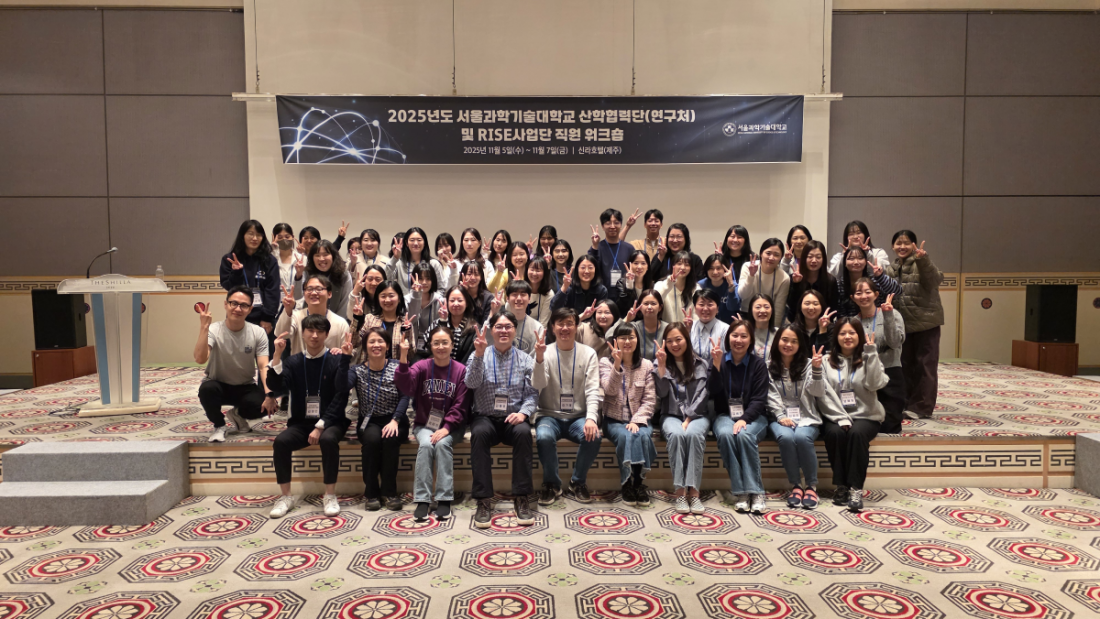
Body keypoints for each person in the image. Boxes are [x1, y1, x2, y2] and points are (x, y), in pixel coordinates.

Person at [265, 316, 352, 518]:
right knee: (281, 442)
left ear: (327, 334)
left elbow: (341, 396)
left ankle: (329, 494)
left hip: (331, 422)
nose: (314, 335)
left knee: (328, 439)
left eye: (319, 331)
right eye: (310, 331)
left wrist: (320, 426)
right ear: (302, 334)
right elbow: (277, 386)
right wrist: (277, 356)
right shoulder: (293, 361)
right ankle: (286, 496)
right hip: (301, 423)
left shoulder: (335, 359)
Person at [464, 311, 539, 529]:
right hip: (485, 417)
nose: (503, 331)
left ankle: (522, 497)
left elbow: (532, 393)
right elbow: (470, 383)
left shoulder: (525, 359)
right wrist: (478, 356)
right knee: (479, 434)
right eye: (499, 326)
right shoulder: (479, 354)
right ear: (491, 330)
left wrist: (523, 414)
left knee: (524, 433)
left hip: (513, 418)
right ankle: (483, 499)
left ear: (515, 330)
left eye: (508, 327)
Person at [395, 324, 469, 521]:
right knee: (427, 445)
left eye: (445, 342)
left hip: (453, 426)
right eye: (436, 343)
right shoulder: (422, 366)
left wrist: (447, 427)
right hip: (424, 424)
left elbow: (461, 404)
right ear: (430, 345)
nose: (440, 347)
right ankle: (423, 500)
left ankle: (444, 500)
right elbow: (406, 386)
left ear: (452, 345)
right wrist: (403, 356)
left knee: (442, 444)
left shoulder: (461, 370)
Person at [532, 308, 602, 504]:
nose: (565, 328)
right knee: (544, 437)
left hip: (578, 417)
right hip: (549, 415)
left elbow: (592, 389)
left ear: (576, 326)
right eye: (560, 324)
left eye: (569, 323)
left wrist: (591, 418)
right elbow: (537, 384)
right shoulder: (543, 351)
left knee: (594, 436)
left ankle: (577, 482)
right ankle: (551, 484)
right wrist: (539, 359)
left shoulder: (588, 353)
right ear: (553, 328)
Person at [819, 318, 888, 512]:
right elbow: (823, 394)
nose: (847, 337)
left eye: (852, 333)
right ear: (836, 337)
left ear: (859, 335)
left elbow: (874, 385)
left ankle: (856, 488)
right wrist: (840, 417)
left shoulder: (869, 357)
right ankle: (841, 486)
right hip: (835, 414)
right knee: (835, 433)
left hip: (866, 415)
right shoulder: (825, 361)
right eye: (842, 333)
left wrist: (871, 354)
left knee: (857, 434)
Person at [767, 327, 837, 510]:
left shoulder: (809, 364)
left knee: (801, 437)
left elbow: (818, 392)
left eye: (794, 341)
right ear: (777, 341)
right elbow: (770, 395)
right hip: (779, 417)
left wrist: (816, 370)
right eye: (785, 339)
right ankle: (796, 485)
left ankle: (811, 486)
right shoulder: (768, 366)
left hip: (807, 415)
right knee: (786, 437)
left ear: (800, 344)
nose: (788, 344)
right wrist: (781, 416)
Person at [195, 286, 277, 443]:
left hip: (245, 386)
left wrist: (269, 394)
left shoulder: (258, 332)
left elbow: (263, 366)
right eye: (234, 303)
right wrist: (204, 327)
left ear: (250, 309)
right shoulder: (214, 329)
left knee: (267, 406)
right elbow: (200, 359)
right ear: (226, 304)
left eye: (244, 305)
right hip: (218, 384)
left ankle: (237, 414)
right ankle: (219, 425)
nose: (238, 309)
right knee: (206, 390)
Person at [708, 319, 770, 514]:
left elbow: (759, 399)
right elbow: (712, 392)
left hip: (754, 416)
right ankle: (742, 492)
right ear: (728, 338)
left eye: (744, 336)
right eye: (735, 335)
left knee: (745, 435)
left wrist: (744, 419)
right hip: (725, 415)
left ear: (750, 340)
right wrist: (716, 366)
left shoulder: (758, 364)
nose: (739, 340)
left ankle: (756, 492)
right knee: (726, 435)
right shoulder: (719, 359)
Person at [350, 326, 410, 511]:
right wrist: (344, 358)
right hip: (369, 421)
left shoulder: (397, 366)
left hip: (395, 419)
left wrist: (395, 420)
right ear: (365, 346)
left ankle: (390, 492)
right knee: (372, 440)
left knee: (390, 439)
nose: (376, 345)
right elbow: (341, 386)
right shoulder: (357, 370)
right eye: (371, 342)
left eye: (380, 341)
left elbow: (405, 396)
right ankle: (371, 493)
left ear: (387, 345)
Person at [886, 230, 944, 421]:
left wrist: (923, 260)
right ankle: (907, 403)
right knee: (904, 365)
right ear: (893, 246)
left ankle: (922, 407)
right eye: (898, 243)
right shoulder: (891, 269)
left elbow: (936, 279)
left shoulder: (921, 263)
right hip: (903, 325)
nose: (902, 247)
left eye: (906, 243)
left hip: (926, 323)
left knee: (925, 366)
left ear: (914, 245)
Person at [653, 322, 710, 514]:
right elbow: (661, 394)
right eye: (669, 341)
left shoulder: (700, 364)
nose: (674, 344)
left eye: (678, 339)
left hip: (698, 416)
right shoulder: (659, 362)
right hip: (671, 414)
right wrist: (662, 367)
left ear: (687, 339)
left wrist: (689, 418)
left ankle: (694, 493)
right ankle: (680, 492)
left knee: (693, 435)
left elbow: (703, 395)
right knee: (676, 435)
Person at [600, 323, 657, 506]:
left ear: (637, 340)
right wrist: (617, 365)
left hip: (639, 419)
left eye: (631, 337)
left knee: (642, 435)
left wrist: (636, 421)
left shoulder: (646, 365)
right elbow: (609, 390)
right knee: (626, 436)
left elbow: (650, 400)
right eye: (622, 338)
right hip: (613, 420)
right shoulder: (605, 363)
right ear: (615, 341)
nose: (627, 341)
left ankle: (638, 484)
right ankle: (626, 483)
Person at [852, 279, 906, 433]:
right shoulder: (854, 322)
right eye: (859, 293)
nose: (864, 296)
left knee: (890, 426)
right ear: (853, 298)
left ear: (876, 294)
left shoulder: (892, 313)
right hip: (864, 376)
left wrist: (888, 315)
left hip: (890, 371)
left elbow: (895, 343)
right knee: (865, 425)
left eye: (868, 292)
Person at [220, 220, 280, 337]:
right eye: (250, 234)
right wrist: (237, 272)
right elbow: (228, 286)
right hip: (237, 314)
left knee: (263, 348)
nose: (255, 238)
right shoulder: (230, 259)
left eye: (259, 235)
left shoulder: (269, 260)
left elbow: (273, 290)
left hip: (262, 318)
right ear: (242, 236)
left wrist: (267, 317)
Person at [275, 275, 350, 358]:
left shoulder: (340, 323)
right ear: (304, 294)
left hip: (330, 365)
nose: (314, 293)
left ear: (329, 294)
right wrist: (288, 310)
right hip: (300, 365)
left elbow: (348, 352)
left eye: (319, 289)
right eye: (309, 289)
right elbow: (281, 334)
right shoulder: (296, 317)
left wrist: (342, 352)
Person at [387, 227, 457, 297]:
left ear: (424, 243)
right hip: (406, 303)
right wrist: (395, 258)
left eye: (419, 240)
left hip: (430, 303)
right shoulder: (400, 264)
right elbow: (386, 279)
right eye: (412, 240)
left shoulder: (434, 264)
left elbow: (442, 289)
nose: (416, 243)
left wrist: (430, 301)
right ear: (406, 243)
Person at [835, 246, 902, 318]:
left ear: (865, 262)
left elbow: (898, 291)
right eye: (851, 259)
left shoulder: (874, 280)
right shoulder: (839, 285)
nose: (856, 262)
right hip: (850, 323)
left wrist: (880, 277)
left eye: (860, 258)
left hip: (877, 321)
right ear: (844, 263)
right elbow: (840, 314)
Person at [738, 238, 790, 329]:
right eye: (768, 253)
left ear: (781, 258)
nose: (771, 258)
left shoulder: (784, 278)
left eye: (776, 255)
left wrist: (774, 331)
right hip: (746, 313)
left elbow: (778, 309)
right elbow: (742, 295)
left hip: (768, 316)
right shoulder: (748, 266)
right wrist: (751, 276)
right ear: (761, 253)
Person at [483, 280, 545, 355]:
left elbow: (535, 358)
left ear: (529, 299)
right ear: (507, 299)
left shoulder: (538, 328)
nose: (518, 298)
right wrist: (492, 313)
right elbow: (484, 341)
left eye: (523, 295)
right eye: (514, 294)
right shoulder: (498, 323)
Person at [296, 240, 354, 317]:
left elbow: (345, 303)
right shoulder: (307, 273)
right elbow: (297, 296)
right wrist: (298, 275)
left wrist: (336, 322)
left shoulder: (344, 275)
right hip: (308, 320)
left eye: (325, 254)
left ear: (333, 256)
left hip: (336, 320)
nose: (321, 259)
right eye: (317, 255)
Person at [351, 281, 408, 358]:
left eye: (391, 296)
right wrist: (357, 318)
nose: (387, 300)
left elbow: (411, 354)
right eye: (383, 296)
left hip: (395, 365)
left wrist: (407, 333)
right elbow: (353, 343)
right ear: (378, 298)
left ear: (399, 298)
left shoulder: (405, 322)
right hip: (370, 364)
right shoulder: (369, 319)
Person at [587, 208, 639, 287]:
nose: (612, 226)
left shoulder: (629, 248)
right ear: (602, 226)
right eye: (608, 223)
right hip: (602, 293)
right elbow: (590, 268)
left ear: (621, 225)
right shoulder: (597, 248)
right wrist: (594, 245)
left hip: (624, 292)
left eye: (616, 223)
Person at [787, 240, 837, 322]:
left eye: (818, 257)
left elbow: (833, 309)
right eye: (810, 257)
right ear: (804, 258)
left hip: (823, 324)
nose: (814, 260)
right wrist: (796, 285)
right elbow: (791, 309)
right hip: (799, 325)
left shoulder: (830, 281)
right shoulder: (794, 278)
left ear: (823, 259)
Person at [432, 286, 479, 362]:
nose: (456, 304)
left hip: (463, 368)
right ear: (447, 303)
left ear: (466, 303)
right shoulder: (438, 322)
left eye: (460, 300)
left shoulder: (474, 329)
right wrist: (443, 322)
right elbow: (429, 347)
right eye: (452, 300)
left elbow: (472, 356)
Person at [653, 251, 696, 324]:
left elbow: (697, 315)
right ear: (673, 266)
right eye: (679, 264)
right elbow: (655, 302)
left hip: (689, 329)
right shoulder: (660, 285)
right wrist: (669, 284)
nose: (682, 267)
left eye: (687, 265)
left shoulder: (696, 288)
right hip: (666, 329)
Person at [689, 289, 729, 363]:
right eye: (701, 305)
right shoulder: (689, 327)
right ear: (695, 308)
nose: (705, 309)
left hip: (718, 368)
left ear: (717, 309)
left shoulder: (726, 329)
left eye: (710, 305)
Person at [627, 289, 668, 362]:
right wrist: (627, 319)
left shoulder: (667, 328)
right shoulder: (634, 327)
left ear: (660, 307)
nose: (649, 307)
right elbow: (609, 335)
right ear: (640, 307)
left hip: (661, 367)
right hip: (638, 368)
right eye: (646, 304)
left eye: (653, 304)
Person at [698, 254, 740, 324]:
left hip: (729, 325)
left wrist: (730, 286)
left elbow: (733, 307)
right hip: (707, 324)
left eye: (718, 268)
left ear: (725, 270)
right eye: (711, 268)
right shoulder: (701, 285)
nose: (715, 272)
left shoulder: (733, 284)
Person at [611, 250, 655, 314]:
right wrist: (629, 283)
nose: (639, 267)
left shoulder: (652, 284)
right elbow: (623, 307)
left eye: (643, 263)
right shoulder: (621, 283)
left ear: (647, 266)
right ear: (630, 265)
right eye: (636, 263)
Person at [271, 223, 306, 300]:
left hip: (298, 302)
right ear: (273, 238)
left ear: (293, 237)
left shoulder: (302, 259)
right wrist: (272, 251)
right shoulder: (270, 259)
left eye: (287, 237)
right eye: (280, 237)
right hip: (276, 302)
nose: (284, 240)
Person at [525, 256, 555, 328]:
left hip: (538, 330)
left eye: (538, 270)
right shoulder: (521, 289)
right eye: (532, 269)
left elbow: (543, 323)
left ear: (544, 273)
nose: (534, 273)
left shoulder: (549, 294)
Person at [748, 294, 777, 362]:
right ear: (751, 310)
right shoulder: (746, 332)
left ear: (772, 310)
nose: (763, 310)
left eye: (766, 307)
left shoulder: (779, 333)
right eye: (758, 307)